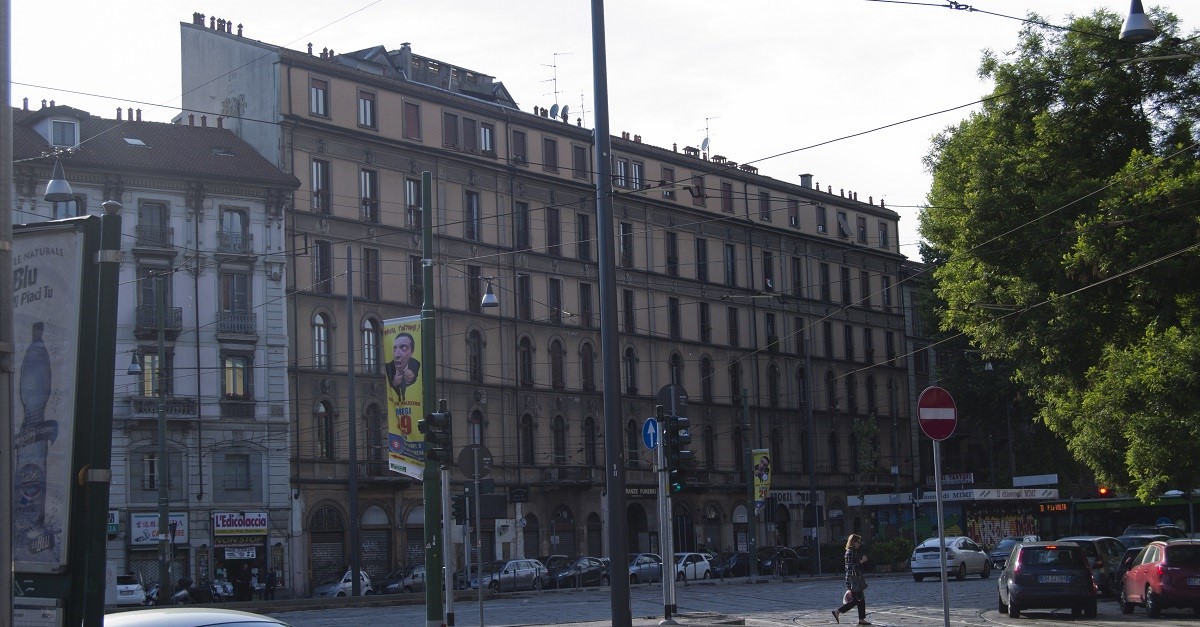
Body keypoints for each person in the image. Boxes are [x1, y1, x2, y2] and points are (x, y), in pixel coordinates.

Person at [832, 534, 870, 625]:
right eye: (858, 542)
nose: (859, 544)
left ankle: (861, 619)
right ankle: (837, 611)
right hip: (853, 580)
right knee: (856, 600)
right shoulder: (850, 552)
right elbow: (851, 567)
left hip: (855, 579)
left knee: (861, 599)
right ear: (853, 542)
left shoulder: (853, 551)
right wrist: (862, 561)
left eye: (860, 542)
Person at [384, 332, 421, 401]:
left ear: (412, 352)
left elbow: (416, 381)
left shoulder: (416, 364)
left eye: (403, 348)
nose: (396, 355)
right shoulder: (388, 367)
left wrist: (411, 379)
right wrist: (393, 384)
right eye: (395, 348)